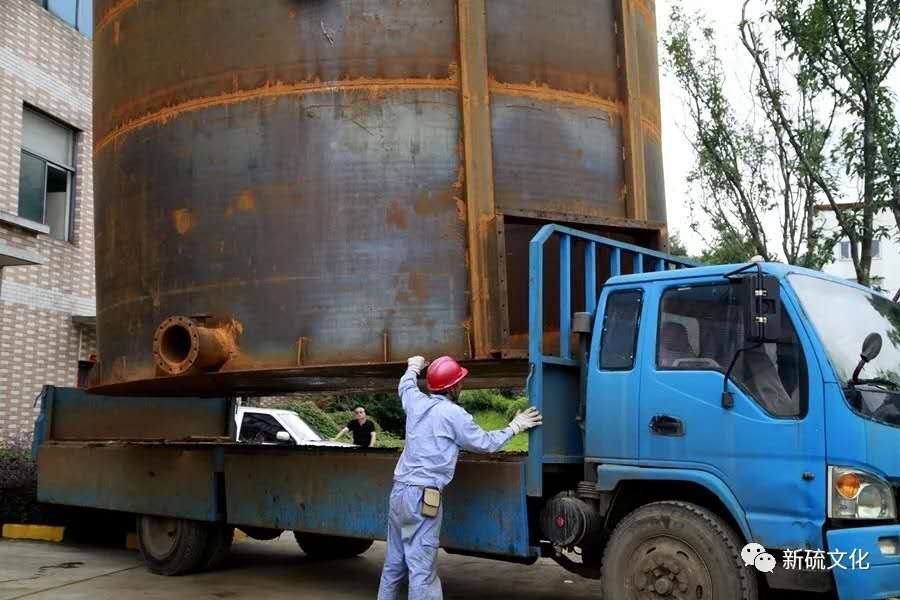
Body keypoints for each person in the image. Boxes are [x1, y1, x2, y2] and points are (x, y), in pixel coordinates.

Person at [377, 355, 542, 600]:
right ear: (453, 387)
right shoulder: (454, 415)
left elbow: (406, 385)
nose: (462, 386)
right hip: (424, 497)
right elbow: (485, 444)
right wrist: (515, 426)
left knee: (393, 563)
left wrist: (413, 365)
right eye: (460, 382)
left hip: (399, 492)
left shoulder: (415, 402)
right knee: (422, 570)